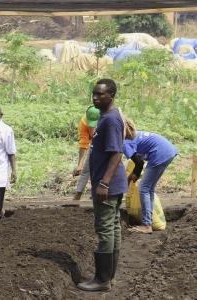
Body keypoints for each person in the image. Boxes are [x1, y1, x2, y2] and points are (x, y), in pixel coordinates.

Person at [77, 79, 128, 292]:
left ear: (111, 95)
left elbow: (117, 153)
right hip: (111, 184)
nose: (95, 98)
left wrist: (104, 183)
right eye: (94, 94)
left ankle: (102, 280)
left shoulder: (111, 120)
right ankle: (109, 277)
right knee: (113, 227)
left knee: (105, 229)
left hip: (108, 185)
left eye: (100, 94)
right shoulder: (106, 117)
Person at [123, 131, 178, 234]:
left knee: (143, 189)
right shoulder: (133, 135)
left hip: (160, 153)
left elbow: (139, 162)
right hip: (168, 150)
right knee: (149, 189)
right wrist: (131, 177)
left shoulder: (125, 143)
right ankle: (149, 221)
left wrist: (132, 176)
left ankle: (147, 225)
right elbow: (138, 162)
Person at [72, 106, 101, 201]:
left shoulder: (107, 121)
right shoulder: (84, 122)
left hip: (108, 145)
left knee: (101, 170)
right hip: (94, 144)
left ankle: (97, 195)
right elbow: (84, 144)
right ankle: (77, 197)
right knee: (85, 169)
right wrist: (79, 165)